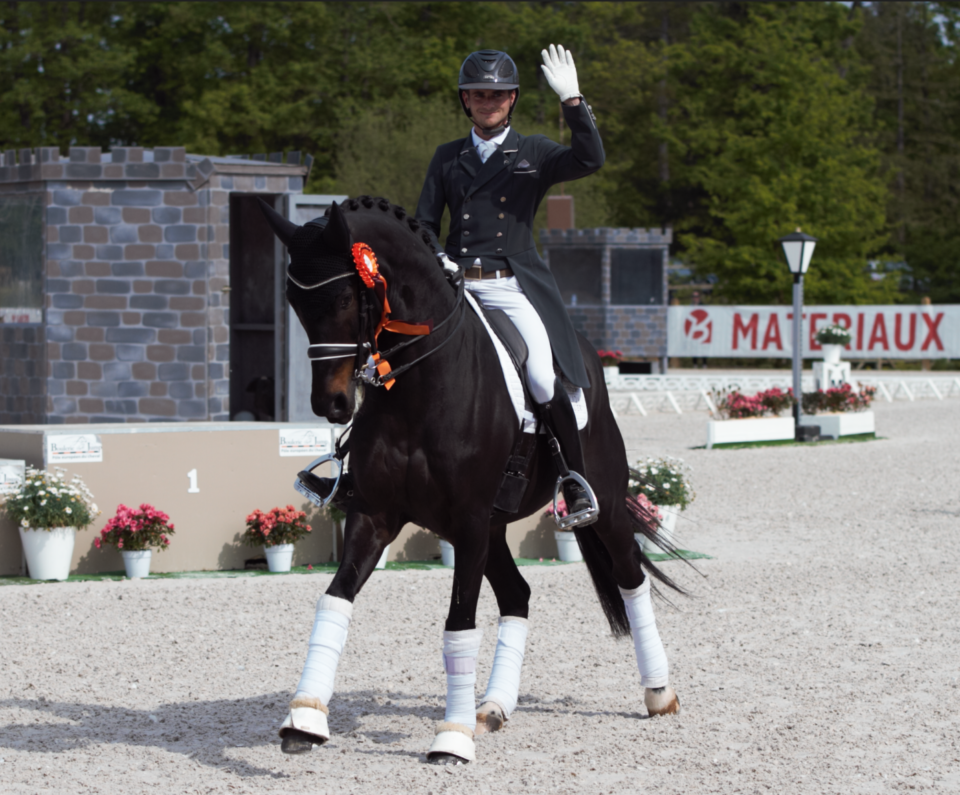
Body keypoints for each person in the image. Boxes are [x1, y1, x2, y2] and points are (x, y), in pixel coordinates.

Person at [416, 45, 604, 525]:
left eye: (497, 96)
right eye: (478, 95)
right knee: (395, 358)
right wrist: (437, 258)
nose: (488, 102)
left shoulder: (534, 151)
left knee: (541, 376)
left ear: (512, 99)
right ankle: (357, 465)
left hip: (507, 285)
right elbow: (422, 223)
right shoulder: (446, 157)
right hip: (454, 286)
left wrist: (573, 102)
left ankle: (574, 482)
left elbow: (590, 159)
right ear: (465, 100)